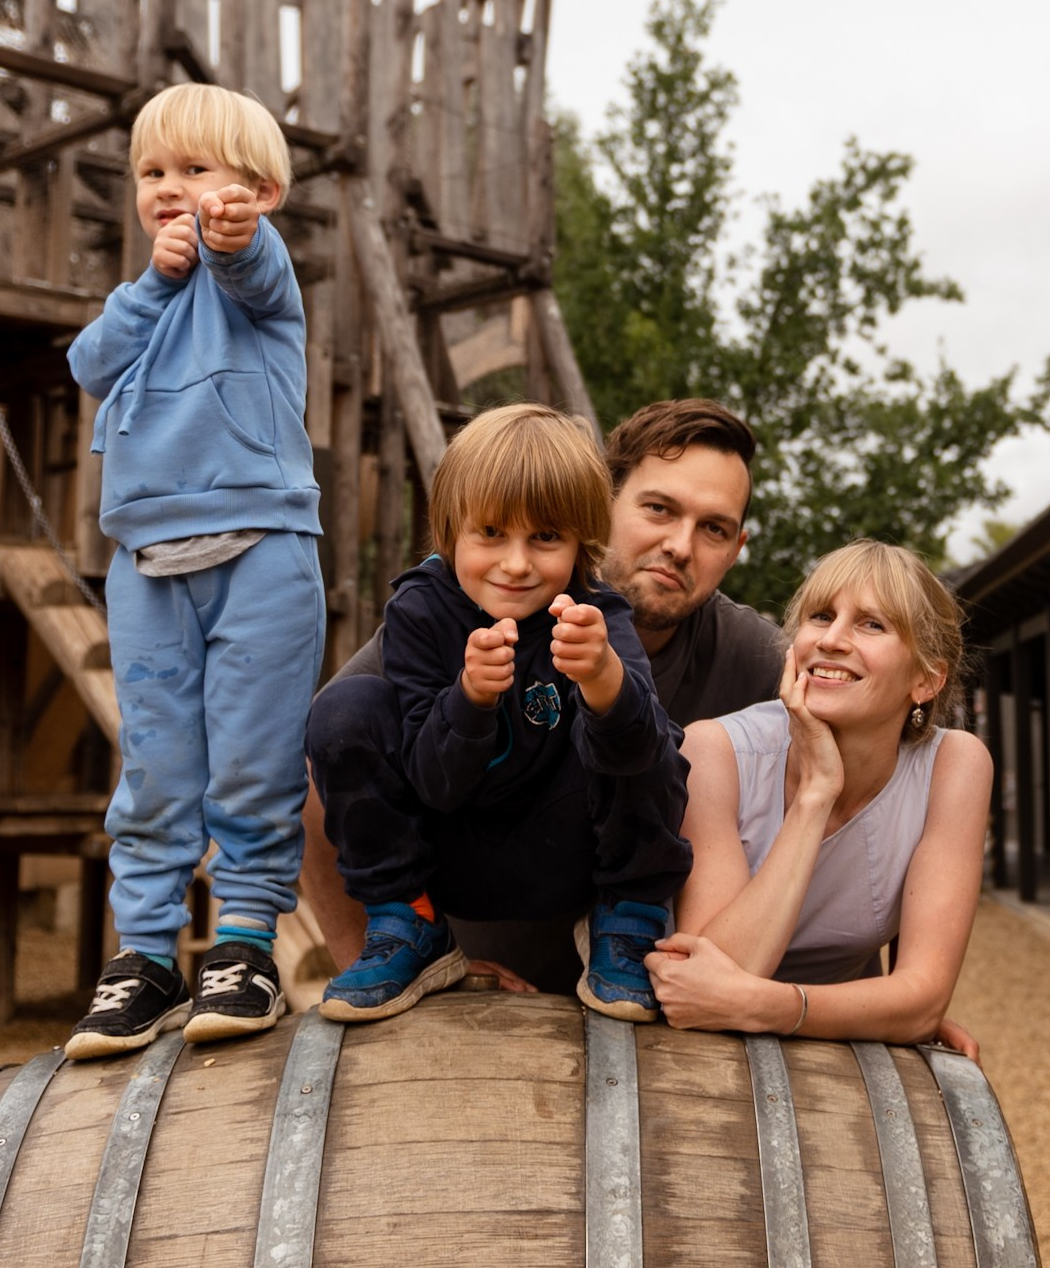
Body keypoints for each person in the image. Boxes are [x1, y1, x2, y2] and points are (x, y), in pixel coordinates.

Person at [298, 399, 785, 990]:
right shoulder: (433, 613)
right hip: (474, 930)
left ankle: (626, 919)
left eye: (714, 528)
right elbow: (326, 768)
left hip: (630, 946)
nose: (681, 545)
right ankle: (407, 941)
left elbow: (876, 742)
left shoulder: (754, 656)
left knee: (661, 740)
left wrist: (908, 977)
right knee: (341, 715)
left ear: (737, 548)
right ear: (601, 506)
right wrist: (367, 966)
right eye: (659, 508)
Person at [60, 83, 324, 1060]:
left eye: (197, 170)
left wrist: (228, 239)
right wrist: (155, 282)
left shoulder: (257, 276)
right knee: (156, 768)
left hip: (259, 547)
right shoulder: (143, 301)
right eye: (154, 173)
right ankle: (144, 954)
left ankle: (244, 942)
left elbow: (256, 272)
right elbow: (91, 362)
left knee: (253, 762)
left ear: (258, 188)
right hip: (146, 560)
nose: (173, 189)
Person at [645, 540, 989, 1055]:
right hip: (693, 1050)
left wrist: (777, 1008)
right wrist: (816, 795)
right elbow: (711, 981)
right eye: (821, 615)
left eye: (871, 624)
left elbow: (922, 1000)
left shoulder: (954, 766)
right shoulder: (714, 750)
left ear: (926, 679)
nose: (831, 639)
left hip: (825, 1049)